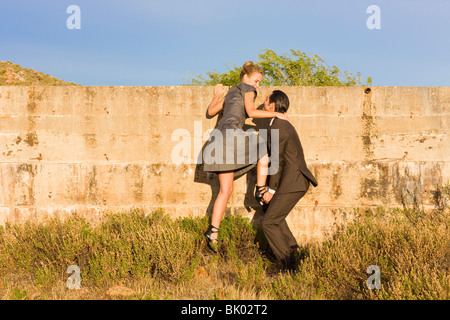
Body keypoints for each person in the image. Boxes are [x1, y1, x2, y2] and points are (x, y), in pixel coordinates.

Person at [203, 61, 288, 252]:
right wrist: (278, 115)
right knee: (265, 145)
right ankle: (260, 188)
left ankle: (213, 231)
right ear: (247, 78)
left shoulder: (231, 92)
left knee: (226, 190)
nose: (257, 86)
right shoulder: (248, 89)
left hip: (218, 140)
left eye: (258, 83)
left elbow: (210, 112)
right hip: (232, 138)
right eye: (257, 81)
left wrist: (217, 96)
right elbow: (250, 112)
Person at [255, 90, 318, 271]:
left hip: (294, 181)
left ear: (273, 105)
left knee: (268, 223)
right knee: (272, 213)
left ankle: (289, 265)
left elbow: (278, 162)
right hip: (293, 180)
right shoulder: (280, 125)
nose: (264, 101)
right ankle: (292, 248)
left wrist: (270, 190)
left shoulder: (277, 127)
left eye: (266, 99)